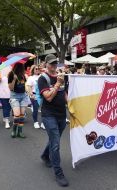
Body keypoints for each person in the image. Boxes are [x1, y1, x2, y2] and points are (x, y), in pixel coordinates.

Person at [38, 54, 69, 187]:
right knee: (55, 144)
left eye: (55, 63)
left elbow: (65, 93)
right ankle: (58, 173)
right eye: (51, 63)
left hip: (62, 114)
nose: (53, 66)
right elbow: (48, 98)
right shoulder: (42, 78)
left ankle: (45, 155)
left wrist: (71, 107)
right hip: (48, 115)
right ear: (46, 64)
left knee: (54, 140)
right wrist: (57, 83)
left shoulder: (61, 76)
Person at [8, 63, 29, 138]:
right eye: (22, 68)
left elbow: (25, 85)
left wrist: (28, 92)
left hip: (23, 96)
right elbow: (10, 88)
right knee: (17, 115)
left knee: (22, 116)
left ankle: (20, 132)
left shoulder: (23, 75)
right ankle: (14, 131)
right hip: (14, 96)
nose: (23, 69)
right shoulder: (11, 74)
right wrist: (14, 79)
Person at [26, 65, 45, 129]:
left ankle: (43, 123)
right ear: (33, 70)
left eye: (38, 69)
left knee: (44, 109)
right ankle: (35, 122)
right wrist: (31, 95)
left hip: (43, 94)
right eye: (36, 69)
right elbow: (28, 87)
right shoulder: (31, 78)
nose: (37, 70)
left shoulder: (42, 76)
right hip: (35, 95)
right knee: (35, 109)